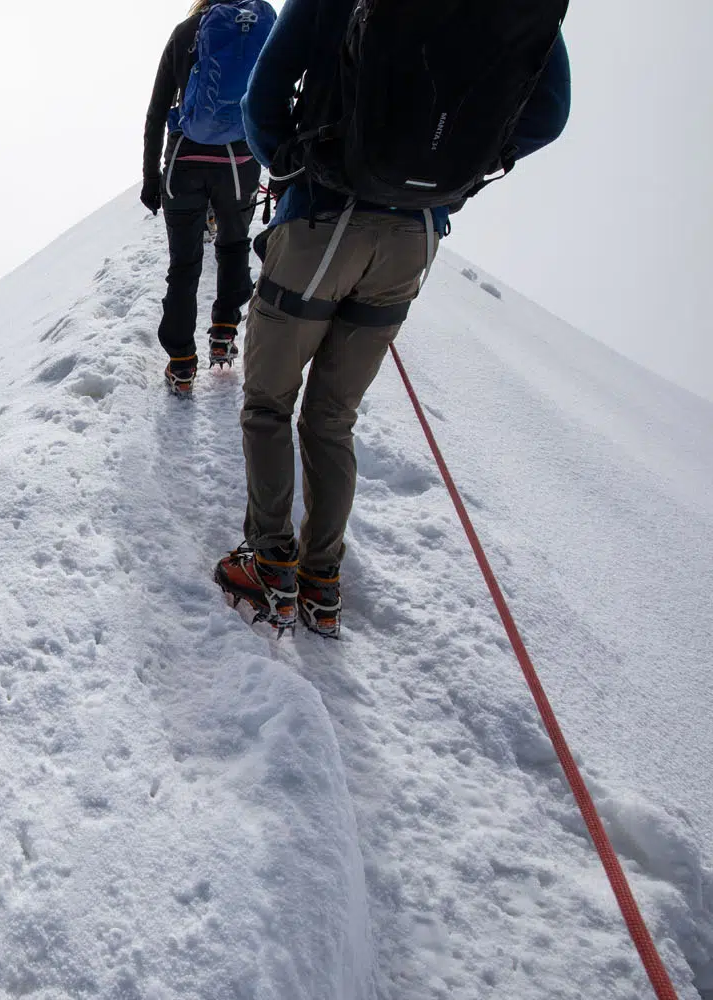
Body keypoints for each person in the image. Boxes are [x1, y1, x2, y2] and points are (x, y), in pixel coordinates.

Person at [214, 0, 571, 637]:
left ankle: (270, 565)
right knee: (332, 416)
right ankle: (322, 579)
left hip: (323, 217)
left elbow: (261, 95)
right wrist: (450, 172)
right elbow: (548, 114)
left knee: (268, 400)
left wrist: (295, 168)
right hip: (416, 239)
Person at [142, 0, 275, 395]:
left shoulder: (186, 33)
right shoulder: (262, 29)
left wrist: (151, 177)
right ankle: (223, 332)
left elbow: (156, 110)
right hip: (239, 163)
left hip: (184, 160)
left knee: (184, 265)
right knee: (233, 246)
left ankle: (181, 364)